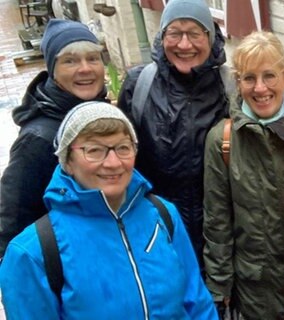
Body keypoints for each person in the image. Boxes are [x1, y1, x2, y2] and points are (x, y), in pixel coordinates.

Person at [0, 101, 218, 319]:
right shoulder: (33, 253)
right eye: (94, 150)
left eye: (123, 148)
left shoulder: (163, 215)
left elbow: (197, 303)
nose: (113, 163)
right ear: (67, 160)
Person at [203, 31, 284, 319]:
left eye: (269, 76)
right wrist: (218, 288)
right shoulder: (223, 141)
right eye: (249, 78)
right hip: (254, 290)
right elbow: (217, 221)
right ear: (238, 82)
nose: (260, 88)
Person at [117, 0, 229, 270]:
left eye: (194, 33)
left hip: (219, 233)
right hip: (155, 228)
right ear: (162, 36)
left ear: (210, 36)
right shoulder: (139, 86)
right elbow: (121, 159)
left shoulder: (231, 87)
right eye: (175, 33)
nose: (184, 44)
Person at [0, 19, 108, 257]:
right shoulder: (38, 140)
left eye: (93, 58)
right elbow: (11, 223)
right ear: (52, 69)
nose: (85, 68)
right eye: (70, 60)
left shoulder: (105, 116)